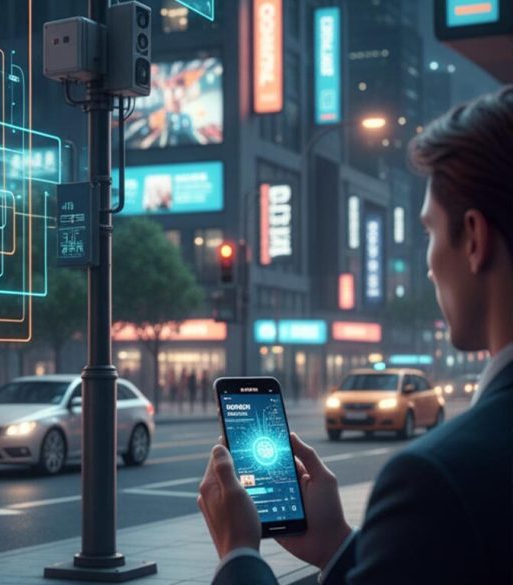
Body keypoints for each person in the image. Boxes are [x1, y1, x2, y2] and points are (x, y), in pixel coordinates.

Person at [198, 87, 513, 584]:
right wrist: (339, 545)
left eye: (429, 232)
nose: (429, 267)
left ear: (473, 238)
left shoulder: (435, 481)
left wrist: (239, 554)